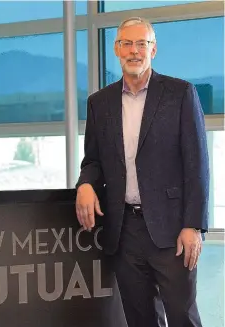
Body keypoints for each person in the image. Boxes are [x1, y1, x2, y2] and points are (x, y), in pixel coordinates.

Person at [76, 17, 209, 327]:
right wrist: (85, 185)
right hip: (125, 231)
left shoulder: (181, 94)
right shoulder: (99, 103)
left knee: (183, 317)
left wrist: (193, 225)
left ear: (154, 49)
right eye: (126, 43)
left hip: (172, 229)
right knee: (139, 319)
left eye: (141, 44)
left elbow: (197, 165)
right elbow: (93, 161)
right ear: (116, 49)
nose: (133, 51)